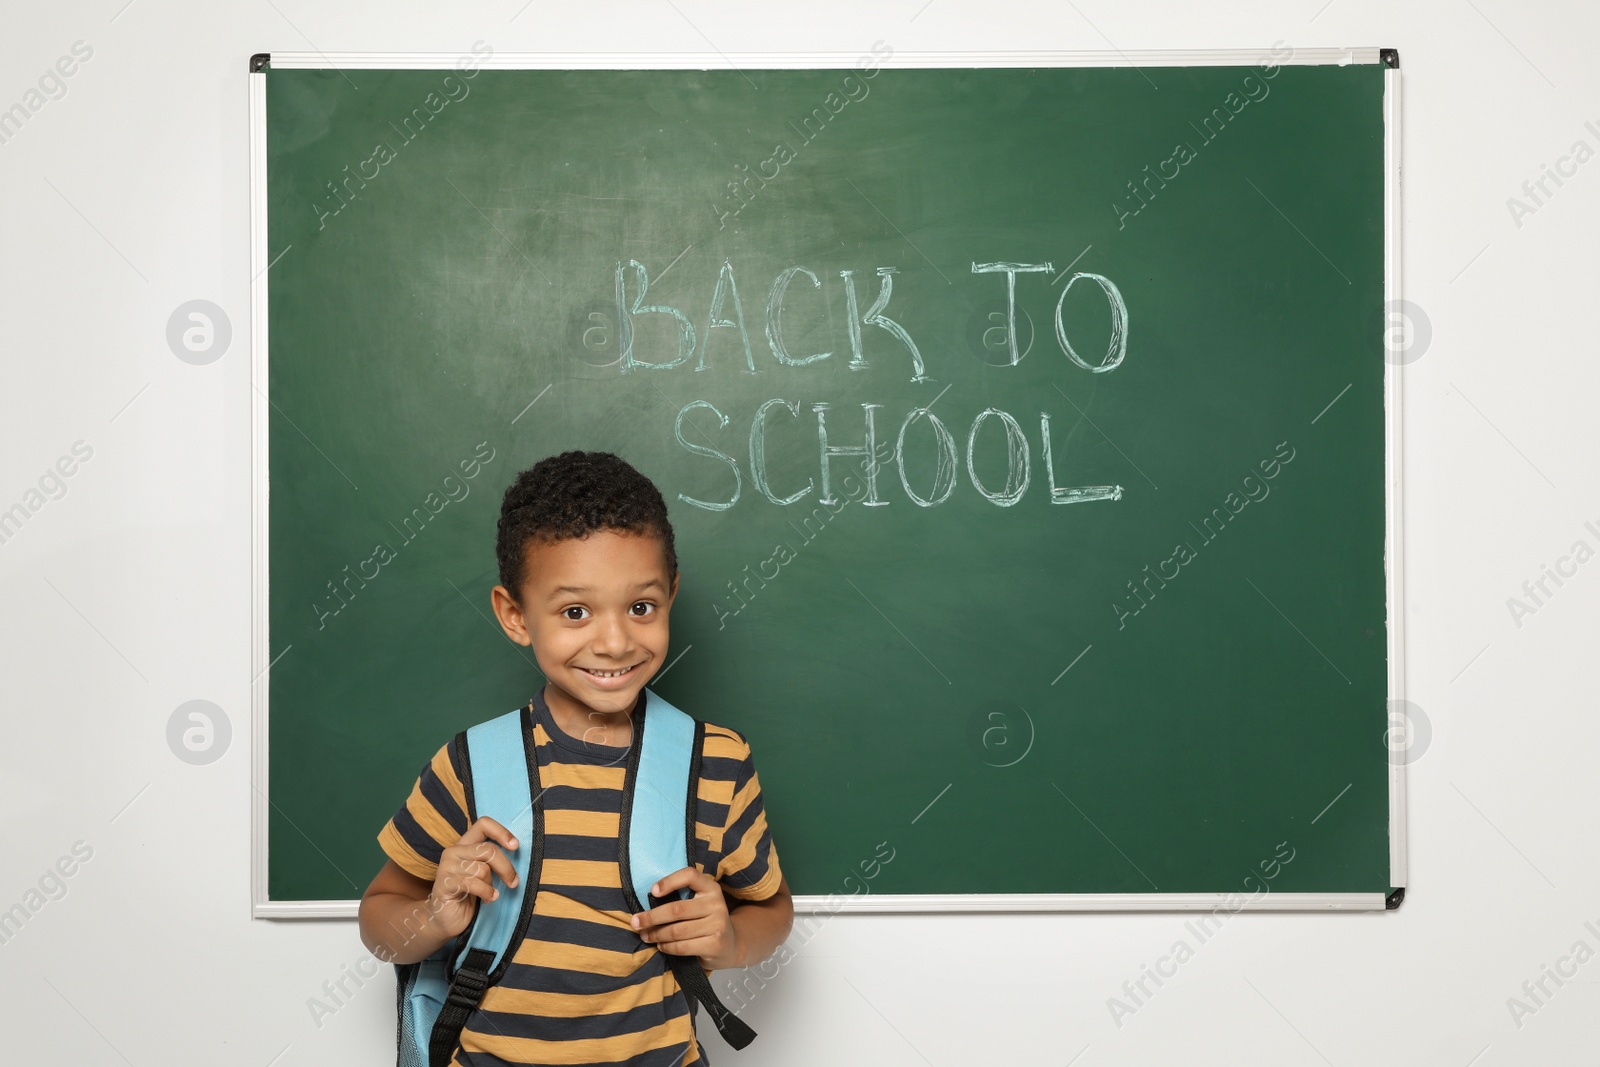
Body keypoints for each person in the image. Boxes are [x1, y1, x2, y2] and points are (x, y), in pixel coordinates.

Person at [358, 450, 793, 1066]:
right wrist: (433, 914)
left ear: (671, 593)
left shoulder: (715, 763)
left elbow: (773, 910)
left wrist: (729, 941)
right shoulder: (469, 766)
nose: (615, 641)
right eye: (575, 612)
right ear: (516, 616)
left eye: (641, 607)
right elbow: (380, 924)